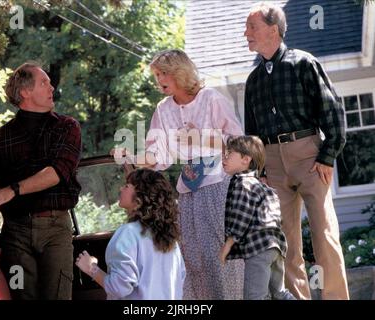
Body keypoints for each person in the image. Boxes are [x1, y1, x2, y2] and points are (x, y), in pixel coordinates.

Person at [114, 49, 244, 300]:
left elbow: (239, 143)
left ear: (179, 73)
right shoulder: (163, 110)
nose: (158, 80)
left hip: (219, 184)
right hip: (187, 189)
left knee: (221, 253)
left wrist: (202, 137)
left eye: (163, 73)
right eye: (156, 75)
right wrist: (129, 156)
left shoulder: (210, 99)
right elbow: (157, 156)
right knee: (192, 256)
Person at [243, 3, 349, 299]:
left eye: (252, 27)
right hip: (273, 165)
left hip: (309, 156)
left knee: (324, 236)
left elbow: (334, 113)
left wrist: (327, 156)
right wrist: (261, 170)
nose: (246, 33)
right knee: (285, 243)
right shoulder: (253, 81)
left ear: (272, 29)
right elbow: (252, 134)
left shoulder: (304, 63)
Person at [0, 61, 82, 300]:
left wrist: (12, 190)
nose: (52, 87)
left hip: (56, 228)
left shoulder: (67, 127)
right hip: (15, 231)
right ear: (25, 92)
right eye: (44, 82)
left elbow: (56, 172)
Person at [75, 169, 185, 300]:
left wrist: (91, 268)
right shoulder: (170, 239)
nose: (121, 189)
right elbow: (181, 278)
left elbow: (119, 288)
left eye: (127, 186)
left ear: (140, 198)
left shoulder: (128, 233)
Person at [220, 135, 296, 300]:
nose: (224, 159)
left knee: (254, 296)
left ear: (245, 160)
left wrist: (227, 246)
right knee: (279, 293)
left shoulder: (242, 183)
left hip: (258, 248)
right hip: (276, 246)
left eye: (229, 154)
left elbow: (241, 215)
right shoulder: (262, 186)